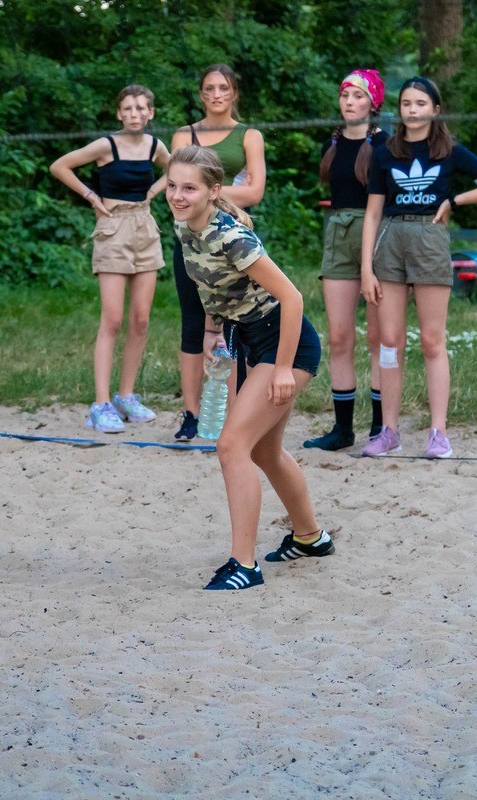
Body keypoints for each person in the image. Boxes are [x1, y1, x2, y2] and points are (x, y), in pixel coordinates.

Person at [165, 145, 330, 590]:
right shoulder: (184, 226)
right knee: (263, 451)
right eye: (173, 185)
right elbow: (212, 288)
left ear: (213, 190)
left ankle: (245, 565)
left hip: (286, 344)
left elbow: (293, 297)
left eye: (189, 188)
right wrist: (214, 334)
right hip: (247, 339)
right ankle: (310, 537)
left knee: (232, 445)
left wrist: (282, 369)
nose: (178, 195)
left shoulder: (232, 237)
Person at [360, 76, 477, 459]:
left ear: (435, 109)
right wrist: (366, 268)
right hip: (390, 242)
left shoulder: (448, 150)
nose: (412, 110)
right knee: (390, 341)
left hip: (429, 239)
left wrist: (454, 201)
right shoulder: (384, 152)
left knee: (431, 340)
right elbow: (373, 212)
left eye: (420, 104)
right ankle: (389, 431)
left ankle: (438, 433)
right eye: (406, 104)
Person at [50, 85, 170, 433]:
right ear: (119, 113)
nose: (134, 114)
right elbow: (60, 166)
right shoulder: (106, 145)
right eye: (128, 108)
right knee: (113, 319)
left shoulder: (155, 146)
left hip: (145, 227)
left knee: (141, 319)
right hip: (113, 229)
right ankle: (100, 405)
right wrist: (91, 196)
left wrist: (155, 190)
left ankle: (126, 396)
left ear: (151, 113)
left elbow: (176, 167)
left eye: (141, 108)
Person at [160, 64, 266, 442]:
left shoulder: (249, 135)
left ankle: (235, 416)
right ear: (201, 93)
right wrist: (209, 192)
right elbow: (178, 187)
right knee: (193, 323)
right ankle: (191, 415)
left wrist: (203, 192)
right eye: (209, 88)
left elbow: (255, 192)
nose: (216, 94)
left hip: (235, 240)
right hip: (192, 239)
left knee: (239, 325)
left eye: (223, 87)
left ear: (234, 92)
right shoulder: (184, 135)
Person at [303, 68, 389, 452]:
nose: (350, 102)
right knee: (339, 337)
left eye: (358, 96)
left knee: (377, 337)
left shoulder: (386, 145)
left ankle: (381, 426)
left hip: (378, 237)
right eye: (345, 95)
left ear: (373, 102)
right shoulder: (332, 144)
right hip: (339, 235)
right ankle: (342, 429)